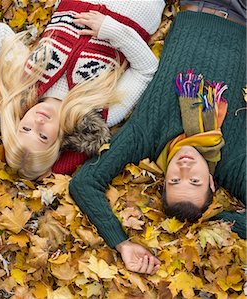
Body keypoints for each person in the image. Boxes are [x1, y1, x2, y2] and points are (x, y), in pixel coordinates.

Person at [69, 0, 246, 274]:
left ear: (163, 180)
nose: (184, 168)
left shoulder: (146, 138)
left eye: (175, 180)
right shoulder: (232, 160)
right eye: (195, 180)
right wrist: (212, 220)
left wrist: (122, 243)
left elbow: (84, 183)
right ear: (212, 182)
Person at [0, 0, 165, 179]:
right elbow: (146, 70)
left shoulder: (26, 81)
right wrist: (110, 29)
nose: (38, 121)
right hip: (136, 8)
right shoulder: (99, 113)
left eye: (26, 128)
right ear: (59, 142)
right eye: (43, 136)